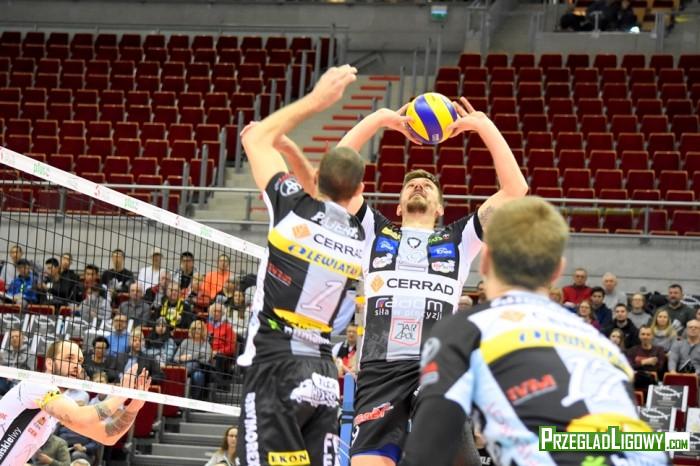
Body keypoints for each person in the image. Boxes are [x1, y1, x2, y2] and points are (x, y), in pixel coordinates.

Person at [307, 96, 526, 466]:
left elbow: (515, 190)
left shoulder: (459, 239)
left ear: (440, 207)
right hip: (379, 369)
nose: (419, 186)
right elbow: (329, 178)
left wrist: (483, 126)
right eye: (411, 185)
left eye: (427, 185)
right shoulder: (375, 231)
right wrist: (378, 119)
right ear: (397, 205)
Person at [397, 197, 668, 466]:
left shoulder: (467, 329)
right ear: (557, 271)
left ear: (485, 261)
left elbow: (427, 452)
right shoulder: (604, 345)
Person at [235, 65, 366, 466]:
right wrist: (293, 151)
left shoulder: (292, 210)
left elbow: (255, 137)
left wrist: (317, 100)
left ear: (316, 177)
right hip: (323, 375)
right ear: (360, 191)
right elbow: (324, 194)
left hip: (276, 364)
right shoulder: (360, 236)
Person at [0, 339, 150, 466]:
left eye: (79, 361)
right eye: (69, 358)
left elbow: (108, 436)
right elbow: (80, 416)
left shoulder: (59, 404)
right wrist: (121, 395)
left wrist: (135, 405)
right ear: (50, 364)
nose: (76, 365)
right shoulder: (37, 384)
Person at [173, 320, 213, 401]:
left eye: (199, 329)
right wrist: (181, 358)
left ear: (203, 331)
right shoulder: (185, 342)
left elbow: (205, 359)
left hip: (199, 368)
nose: (197, 331)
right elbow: (175, 358)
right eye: (194, 328)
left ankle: (194, 401)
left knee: (198, 375)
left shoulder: (206, 344)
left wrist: (189, 357)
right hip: (183, 365)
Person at [626, 325, 666, 390]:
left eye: (648, 334)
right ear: (639, 336)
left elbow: (659, 368)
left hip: (653, 381)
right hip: (636, 381)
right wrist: (644, 362)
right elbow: (630, 367)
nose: (645, 337)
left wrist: (638, 363)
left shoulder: (659, 350)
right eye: (643, 334)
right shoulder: (632, 350)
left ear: (652, 336)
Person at [207, 303, 237, 373]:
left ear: (222, 314)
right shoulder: (206, 326)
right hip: (206, 353)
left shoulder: (228, 328)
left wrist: (217, 352)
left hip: (221, 356)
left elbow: (231, 348)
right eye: (215, 311)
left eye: (219, 312)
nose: (217, 313)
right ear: (211, 313)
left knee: (219, 357)